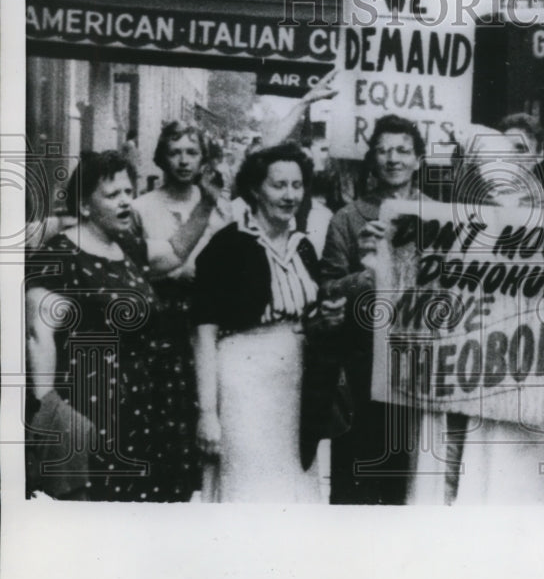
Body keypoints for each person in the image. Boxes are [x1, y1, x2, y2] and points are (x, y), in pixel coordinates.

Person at [24, 151, 193, 501]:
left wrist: (206, 200)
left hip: (142, 405)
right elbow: (39, 337)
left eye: (129, 192)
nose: (125, 202)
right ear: (85, 205)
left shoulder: (126, 246)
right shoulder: (60, 256)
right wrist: (53, 418)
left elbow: (176, 251)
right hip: (91, 408)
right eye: (112, 194)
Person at [192, 144, 345, 503]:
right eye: (279, 185)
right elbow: (203, 332)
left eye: (297, 185)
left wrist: (327, 317)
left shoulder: (304, 247)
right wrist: (208, 413)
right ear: (256, 189)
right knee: (249, 486)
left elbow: (309, 317)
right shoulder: (228, 245)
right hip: (244, 387)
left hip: (295, 389)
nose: (290, 195)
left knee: (292, 483)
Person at [423, 127, 544, 505]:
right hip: (466, 358)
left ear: (533, 158)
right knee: (458, 461)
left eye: (516, 151)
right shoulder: (463, 210)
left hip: (514, 362)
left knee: (507, 469)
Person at [319, 114, 430, 505]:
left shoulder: (439, 218)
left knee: (408, 489)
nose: (393, 159)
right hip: (363, 370)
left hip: (422, 371)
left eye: (403, 150)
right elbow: (326, 290)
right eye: (383, 151)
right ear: (372, 159)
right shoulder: (348, 219)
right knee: (356, 487)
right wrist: (366, 275)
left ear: (418, 159)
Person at [131, 121, 232, 500]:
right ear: (162, 157)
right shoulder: (141, 207)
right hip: (165, 322)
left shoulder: (219, 205)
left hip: (214, 321)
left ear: (204, 158)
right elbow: (138, 266)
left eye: (192, 152)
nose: (184, 160)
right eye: (175, 152)